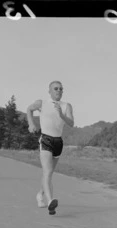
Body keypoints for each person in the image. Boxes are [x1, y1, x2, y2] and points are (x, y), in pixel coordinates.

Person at [26, 81, 74, 215]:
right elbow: (29, 109)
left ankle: (40, 195)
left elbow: (71, 123)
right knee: (47, 172)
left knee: (49, 173)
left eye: (61, 89)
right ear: (50, 91)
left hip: (58, 142)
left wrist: (61, 115)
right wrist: (31, 123)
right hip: (46, 139)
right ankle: (50, 202)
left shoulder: (66, 106)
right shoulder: (42, 103)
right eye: (56, 88)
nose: (59, 91)